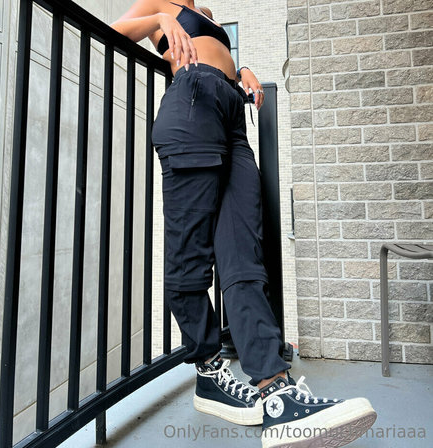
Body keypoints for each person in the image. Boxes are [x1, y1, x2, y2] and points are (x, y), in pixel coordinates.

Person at [110, 2, 377, 447]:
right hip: (191, 106)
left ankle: (277, 394)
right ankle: (209, 368)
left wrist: (242, 71)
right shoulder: (159, 4)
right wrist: (158, 22)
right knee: (190, 253)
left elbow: (216, 54)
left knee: (243, 256)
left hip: (232, 116)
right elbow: (115, 32)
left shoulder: (206, 10)